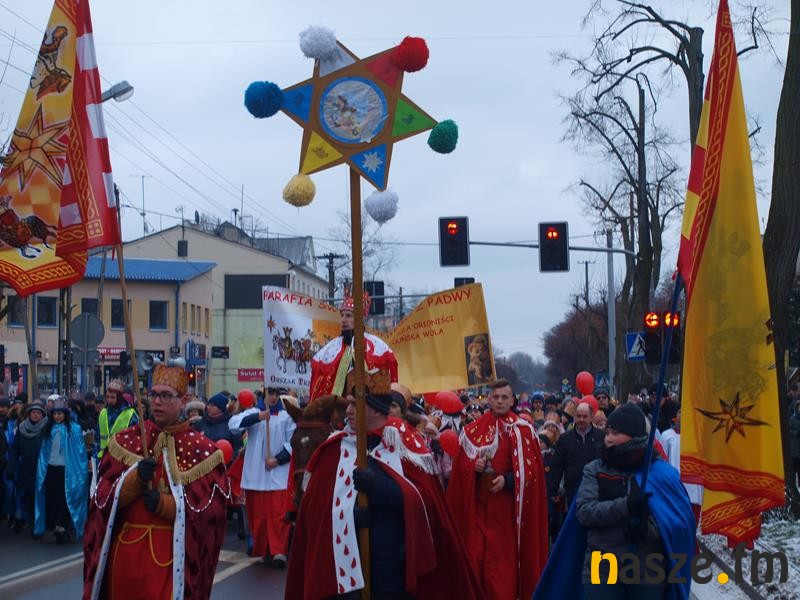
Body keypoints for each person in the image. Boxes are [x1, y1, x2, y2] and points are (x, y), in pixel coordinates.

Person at [285, 373, 484, 600]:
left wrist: (381, 488)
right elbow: (315, 513)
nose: (348, 411)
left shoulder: (405, 445)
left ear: (376, 409)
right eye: (348, 404)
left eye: (355, 404)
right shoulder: (333, 450)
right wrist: (349, 516)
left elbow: (426, 505)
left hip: (393, 568)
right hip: (344, 575)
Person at [82, 364, 230, 599]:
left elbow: (212, 517)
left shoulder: (203, 451)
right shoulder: (124, 442)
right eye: (154, 395)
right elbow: (100, 501)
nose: (158, 402)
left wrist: (166, 505)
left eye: (166, 396)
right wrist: (135, 481)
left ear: (183, 401)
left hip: (170, 557)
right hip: (125, 557)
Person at [533, 402, 696, 600]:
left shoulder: (660, 473)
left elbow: (677, 525)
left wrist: (647, 528)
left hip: (648, 566)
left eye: (616, 433)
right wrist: (626, 506)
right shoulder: (595, 469)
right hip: (602, 564)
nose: (608, 438)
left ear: (634, 435)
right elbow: (585, 512)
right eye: (608, 432)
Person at [447, 379, 548, 600]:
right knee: (476, 563)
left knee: (501, 573)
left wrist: (508, 481)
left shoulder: (522, 430)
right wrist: (474, 468)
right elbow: (460, 471)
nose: (500, 401)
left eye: (504, 397)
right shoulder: (473, 430)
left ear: (512, 401)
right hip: (478, 515)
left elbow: (533, 474)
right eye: (496, 397)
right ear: (489, 399)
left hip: (507, 517)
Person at [228, 386, 295, 566]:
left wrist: (278, 459)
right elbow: (233, 425)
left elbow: (293, 443)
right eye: (270, 394)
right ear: (264, 395)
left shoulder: (286, 417)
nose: (274, 397)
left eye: (277, 394)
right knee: (259, 517)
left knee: (278, 515)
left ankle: (279, 551)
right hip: (256, 476)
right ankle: (265, 550)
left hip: (278, 475)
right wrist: (257, 417)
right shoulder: (252, 413)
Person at [309, 291, 398, 401]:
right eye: (342, 315)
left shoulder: (379, 348)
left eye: (348, 316)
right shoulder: (329, 351)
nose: (343, 320)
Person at [34, 397, 88, 542]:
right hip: (51, 468)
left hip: (67, 470)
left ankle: (62, 525)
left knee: (65, 498)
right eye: (55, 414)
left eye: (60, 413)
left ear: (65, 414)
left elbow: (79, 452)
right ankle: (56, 525)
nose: (57, 416)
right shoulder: (48, 429)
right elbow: (43, 451)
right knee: (52, 497)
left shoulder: (74, 429)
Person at [546, 402, 604, 507]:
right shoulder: (565, 439)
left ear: (591, 417)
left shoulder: (601, 437)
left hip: (596, 488)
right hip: (572, 489)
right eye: (578, 416)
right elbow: (557, 466)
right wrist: (553, 490)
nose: (581, 419)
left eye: (585, 416)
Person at [7, 400, 47, 534]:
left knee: (39, 497)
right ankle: (26, 521)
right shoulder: (22, 428)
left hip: (41, 470)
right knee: (26, 496)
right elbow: (14, 450)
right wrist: (11, 467)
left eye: (38, 413)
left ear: (42, 415)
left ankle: (38, 524)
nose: (35, 415)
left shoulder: (46, 428)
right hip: (25, 468)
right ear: (29, 414)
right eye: (33, 412)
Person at [97, 379, 138, 459]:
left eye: (112, 397)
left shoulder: (130, 414)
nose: (109, 400)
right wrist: (96, 456)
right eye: (107, 397)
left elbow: (135, 440)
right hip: (103, 459)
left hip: (121, 459)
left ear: (119, 397)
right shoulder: (103, 413)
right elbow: (98, 438)